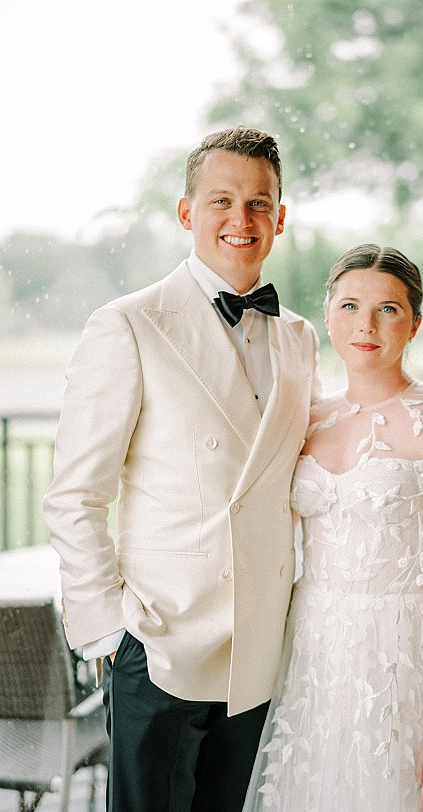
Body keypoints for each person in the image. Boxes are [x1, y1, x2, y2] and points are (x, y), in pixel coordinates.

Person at [43, 126, 321, 812]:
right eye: (222, 199)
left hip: (260, 645)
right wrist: (111, 630)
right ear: (186, 211)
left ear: (280, 218)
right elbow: (76, 496)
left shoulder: (300, 337)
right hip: (160, 642)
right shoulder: (129, 325)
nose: (242, 219)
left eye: (260, 203)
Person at [243, 245, 423, 812]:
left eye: (388, 309)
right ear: (327, 316)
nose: (365, 325)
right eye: (349, 306)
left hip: (408, 656)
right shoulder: (305, 418)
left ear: (415, 322)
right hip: (316, 656)